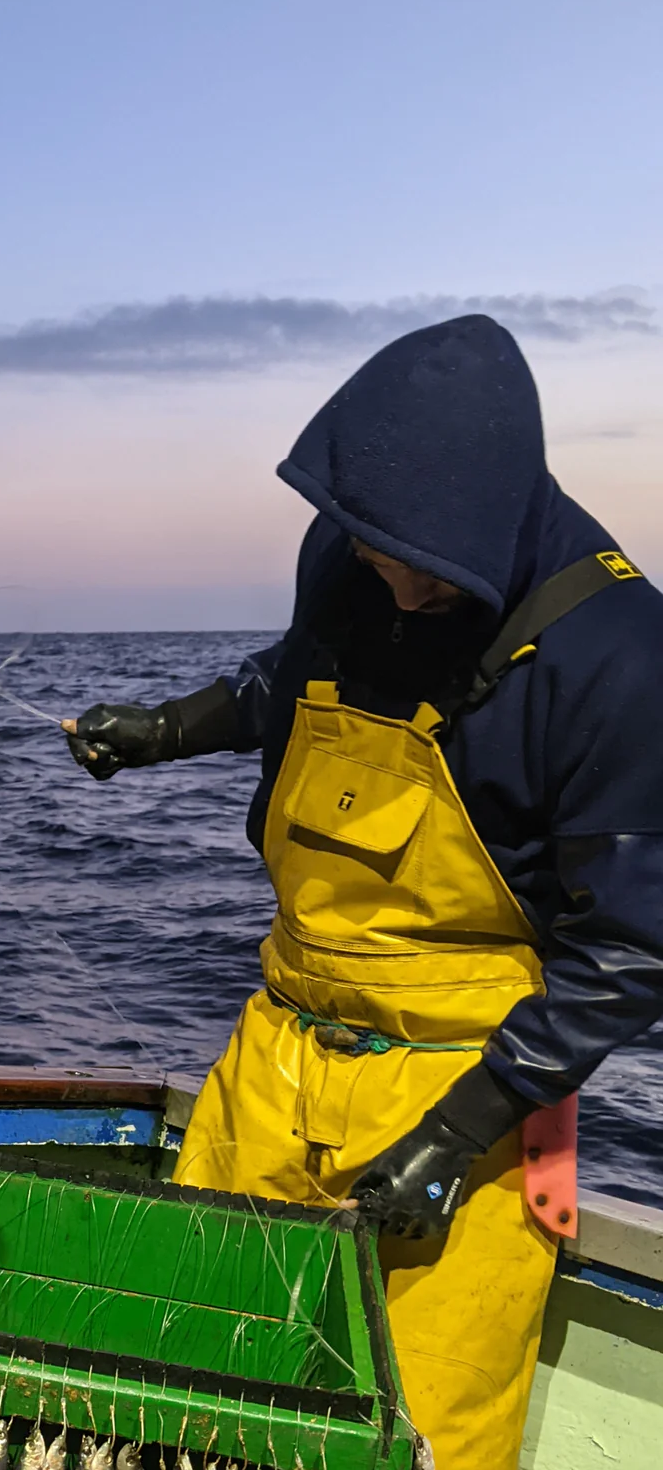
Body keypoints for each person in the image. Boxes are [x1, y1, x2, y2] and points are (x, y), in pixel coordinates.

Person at [65, 315, 663, 1470]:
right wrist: (166, 729)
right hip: (273, 1057)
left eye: (415, 562)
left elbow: (633, 954)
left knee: (419, 1434)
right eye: (362, 541)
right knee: (171, 1384)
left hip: (468, 1092)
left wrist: (458, 1136)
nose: (382, 574)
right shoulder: (353, 554)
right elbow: (295, 677)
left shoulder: (624, 660)